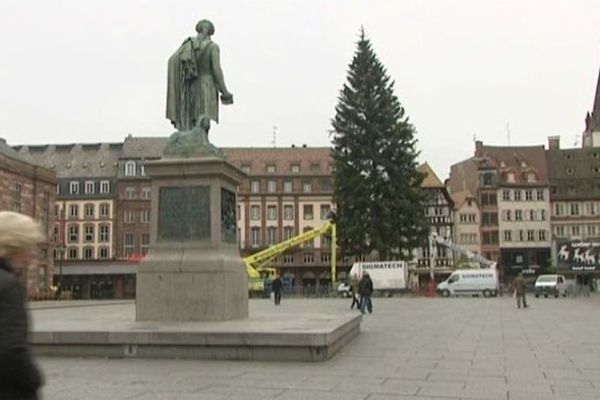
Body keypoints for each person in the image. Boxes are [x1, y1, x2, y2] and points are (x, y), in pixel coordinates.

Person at [0, 211, 45, 399]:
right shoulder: (8, 284)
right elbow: (11, 349)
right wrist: (34, 379)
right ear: (15, 245)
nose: (30, 253)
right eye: (28, 245)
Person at [166, 19, 234, 131]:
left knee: (193, 122)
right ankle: (202, 144)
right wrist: (225, 92)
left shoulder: (190, 46)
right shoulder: (213, 47)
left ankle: (196, 144)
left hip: (192, 87)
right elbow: (217, 69)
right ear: (208, 31)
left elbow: (173, 60)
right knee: (204, 121)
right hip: (207, 86)